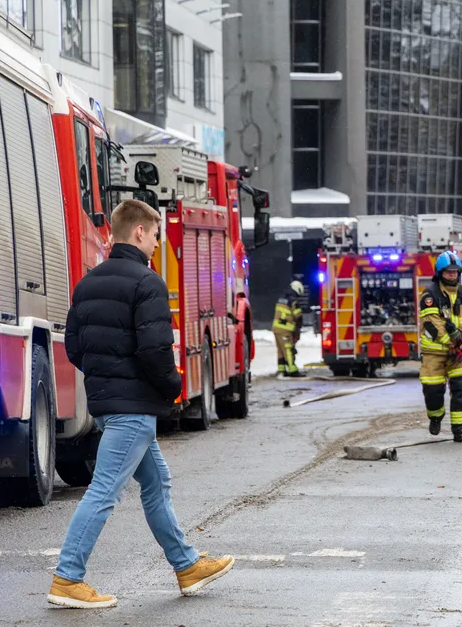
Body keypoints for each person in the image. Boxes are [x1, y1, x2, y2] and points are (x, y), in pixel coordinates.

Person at [50, 200, 234, 609]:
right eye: (154, 235)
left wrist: (107, 377)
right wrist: (170, 387)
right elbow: (155, 351)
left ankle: (186, 565)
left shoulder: (88, 283)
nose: (156, 243)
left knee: (156, 483)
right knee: (103, 492)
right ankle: (67, 578)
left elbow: (76, 347)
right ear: (138, 232)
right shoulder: (147, 283)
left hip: (112, 403)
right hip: (133, 410)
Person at [419, 251, 462, 441]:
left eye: (455, 271)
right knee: (433, 391)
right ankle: (435, 417)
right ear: (440, 273)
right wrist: (453, 344)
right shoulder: (430, 295)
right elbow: (432, 325)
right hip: (435, 353)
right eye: (448, 272)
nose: (452, 275)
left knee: (461, 390)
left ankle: (460, 429)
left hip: (460, 354)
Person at [272, 280, 305, 377]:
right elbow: (298, 316)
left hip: (276, 328)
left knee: (280, 350)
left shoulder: (281, 298)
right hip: (285, 330)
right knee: (288, 349)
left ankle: (281, 369)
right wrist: (298, 328)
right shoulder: (293, 301)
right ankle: (292, 370)